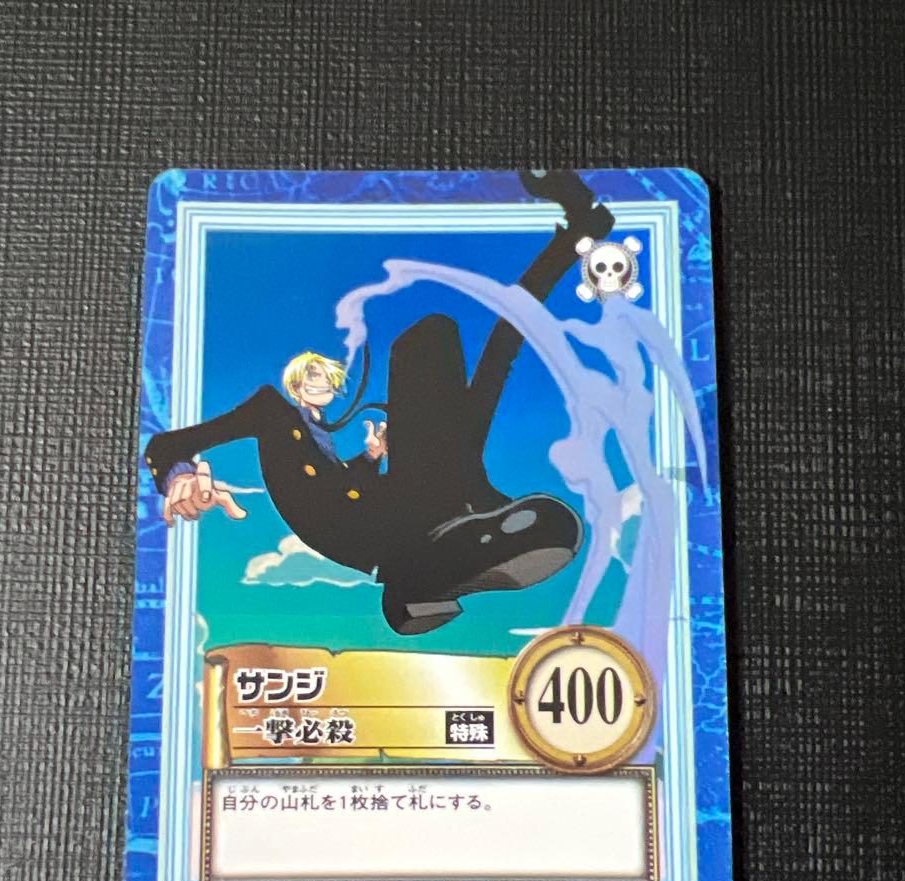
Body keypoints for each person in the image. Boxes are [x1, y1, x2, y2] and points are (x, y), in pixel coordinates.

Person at [144, 170, 614, 634]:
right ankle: (430, 562)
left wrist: (371, 457)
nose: (323, 384)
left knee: (475, 354)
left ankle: (461, 536)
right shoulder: (273, 412)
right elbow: (165, 445)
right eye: (313, 377)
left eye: (326, 378)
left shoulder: (370, 442)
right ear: (295, 384)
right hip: (362, 528)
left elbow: (502, 343)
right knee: (427, 340)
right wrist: (178, 476)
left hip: (423, 500)